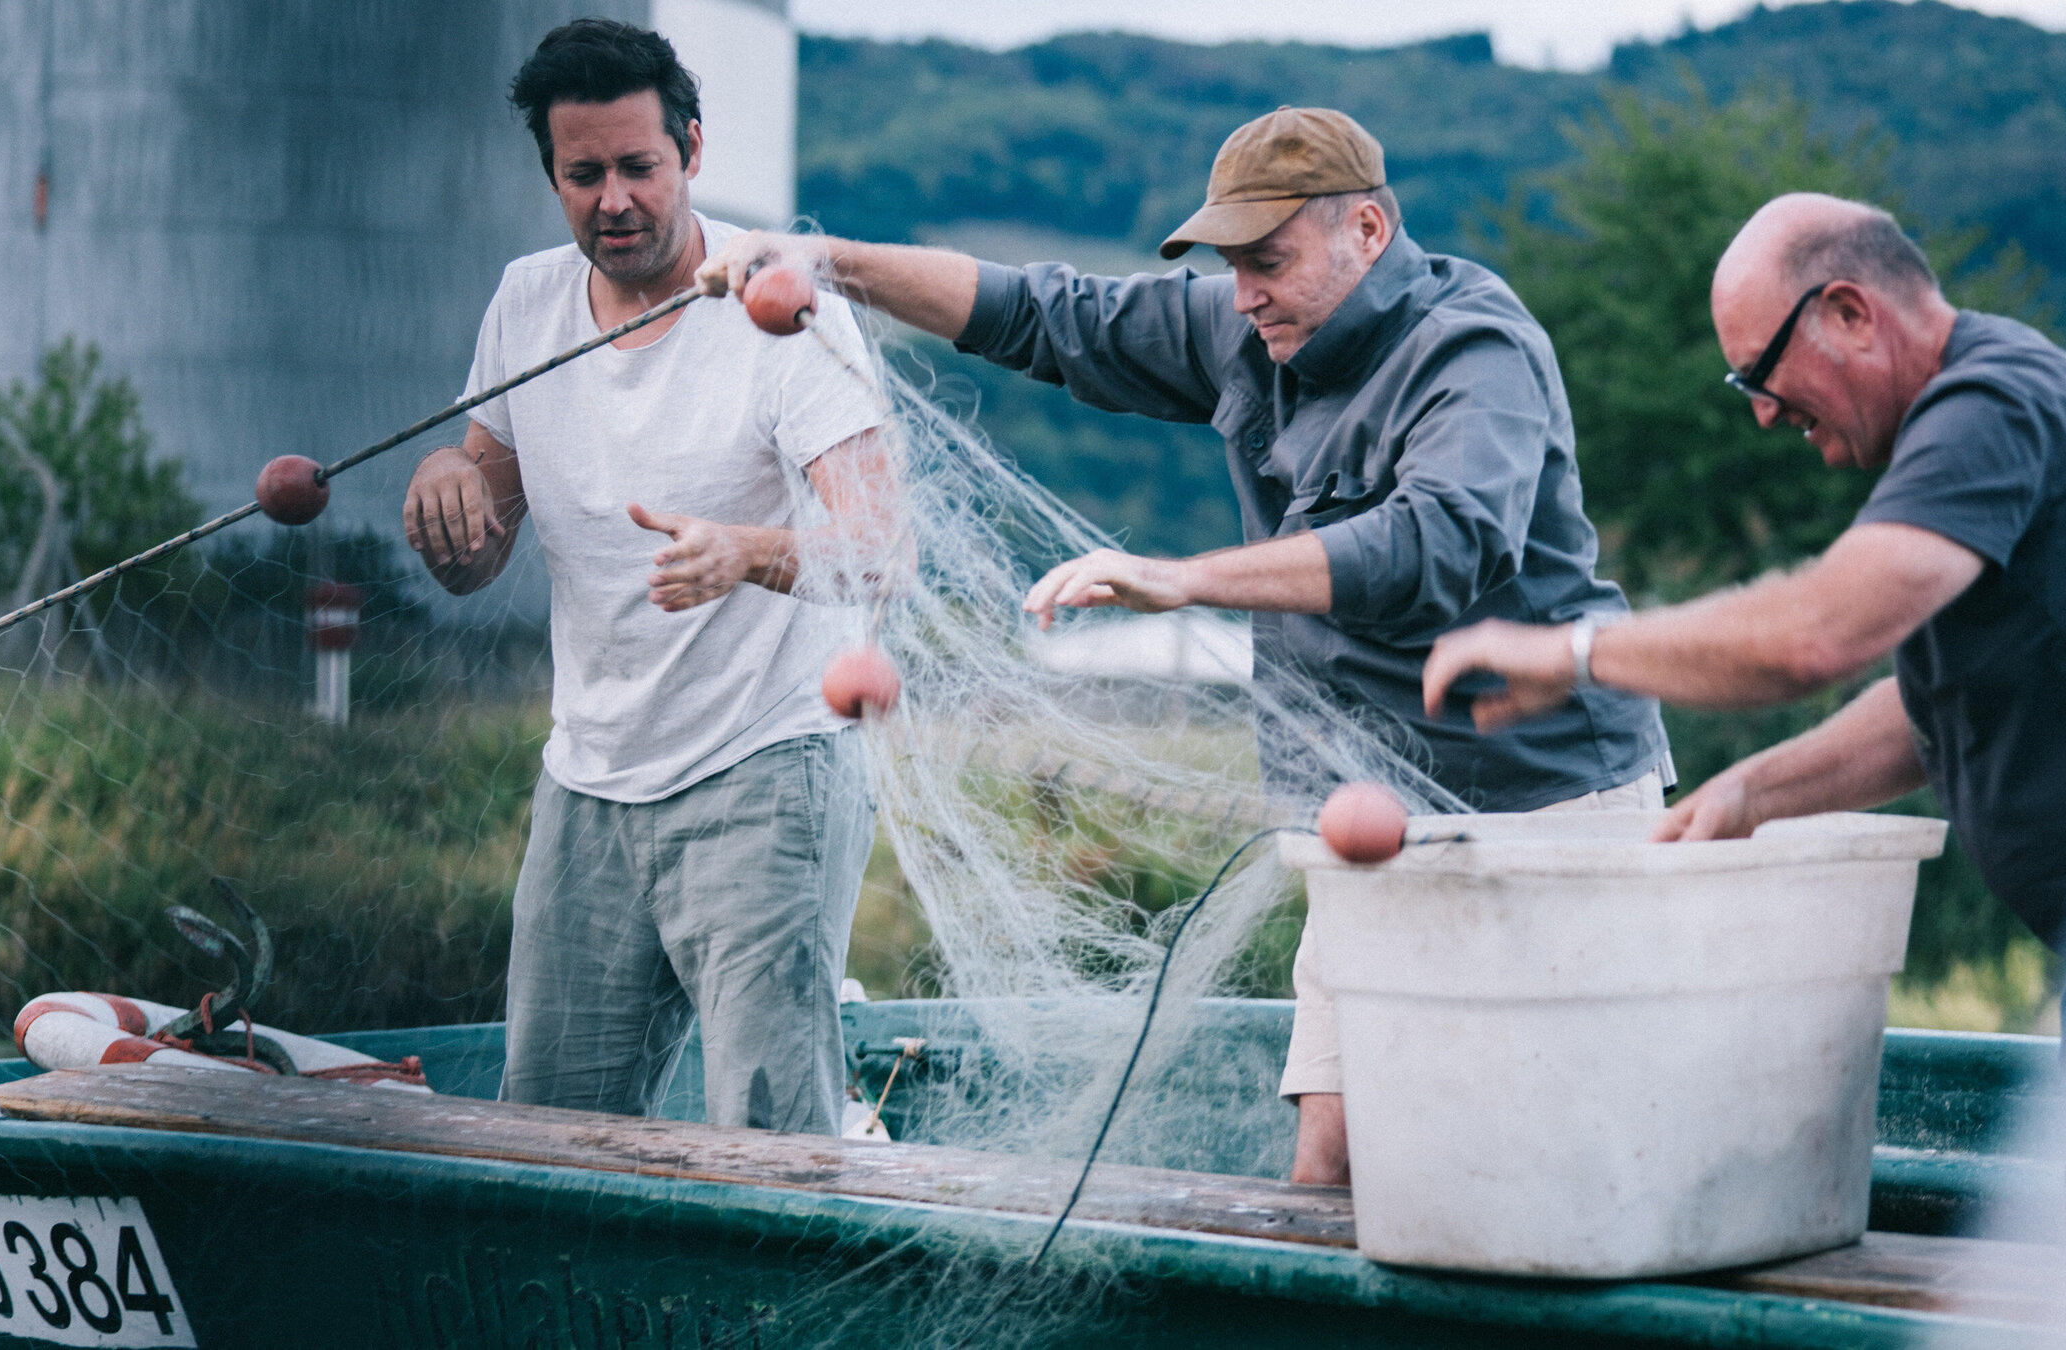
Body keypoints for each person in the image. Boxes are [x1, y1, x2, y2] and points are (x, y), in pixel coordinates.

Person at [699, 106, 1670, 1181]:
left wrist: (1186, 580)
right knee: (1330, 1163)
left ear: (1368, 231)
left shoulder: (1474, 350)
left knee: (1563, 1170)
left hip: (1546, 808)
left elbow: (1431, 544)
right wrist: (820, 262)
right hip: (1368, 823)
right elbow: (1041, 314)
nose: (1244, 291)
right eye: (1229, 265)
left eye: (1268, 260)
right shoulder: (1246, 333)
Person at [1424, 192, 2066, 1030]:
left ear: (1849, 313)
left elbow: (1815, 636)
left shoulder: (1994, 409)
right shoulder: (1977, 418)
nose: (1764, 412)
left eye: (1762, 372)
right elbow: (1931, 706)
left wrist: (1572, 654)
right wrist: (1754, 792)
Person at [402, 20, 892, 1134]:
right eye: (584, 175)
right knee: (548, 1132)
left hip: (765, 771)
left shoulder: (780, 310)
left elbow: (881, 549)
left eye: (638, 167)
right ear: (553, 177)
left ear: (693, 152)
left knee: (770, 1139)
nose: (613, 199)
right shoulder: (526, 306)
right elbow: (477, 553)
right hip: (588, 782)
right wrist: (445, 480)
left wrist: (746, 552)